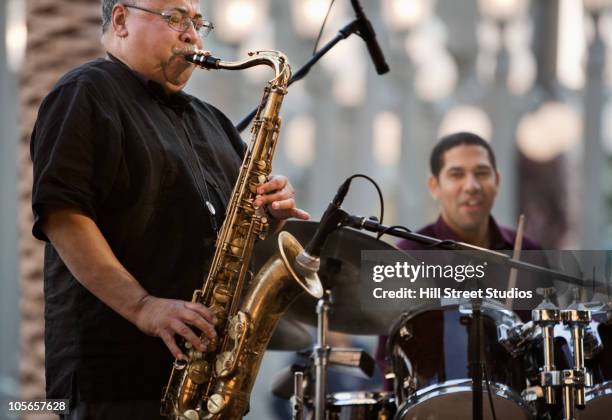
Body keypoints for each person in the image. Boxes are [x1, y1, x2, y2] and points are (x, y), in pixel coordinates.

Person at [30, 1, 308, 418]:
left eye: (197, 23)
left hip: (204, 383)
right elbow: (62, 215)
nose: (191, 35)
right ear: (121, 19)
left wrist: (269, 210)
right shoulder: (86, 91)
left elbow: (234, 227)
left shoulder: (210, 119)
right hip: (115, 382)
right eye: (175, 18)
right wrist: (144, 307)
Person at [376, 131, 542, 388]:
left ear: (497, 182)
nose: (471, 186)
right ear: (434, 186)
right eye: (456, 174)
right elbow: (389, 361)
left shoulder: (529, 253)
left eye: (482, 173)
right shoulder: (406, 257)